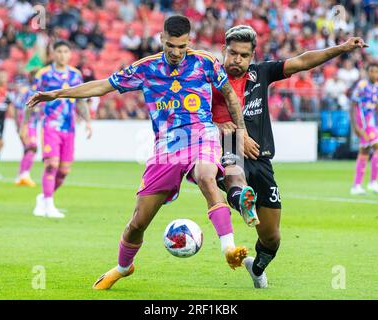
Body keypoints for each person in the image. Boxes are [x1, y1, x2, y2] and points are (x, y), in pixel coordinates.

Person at [27, 16, 256, 290]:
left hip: (201, 134)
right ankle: (123, 267)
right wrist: (58, 94)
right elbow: (102, 86)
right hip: (167, 147)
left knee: (207, 176)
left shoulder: (205, 62)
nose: (176, 52)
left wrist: (240, 133)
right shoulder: (145, 68)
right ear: (161, 39)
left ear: (189, 43)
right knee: (138, 222)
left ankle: (228, 248)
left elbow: (230, 95)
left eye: (182, 47)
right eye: (171, 45)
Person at [211, 25, 368, 288]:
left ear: (252, 57)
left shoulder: (261, 74)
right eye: (232, 53)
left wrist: (341, 48)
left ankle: (257, 267)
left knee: (272, 238)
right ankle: (242, 203)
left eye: (243, 55)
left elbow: (303, 61)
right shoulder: (211, 78)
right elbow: (189, 112)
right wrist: (218, 127)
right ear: (224, 51)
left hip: (260, 159)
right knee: (233, 173)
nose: (236, 59)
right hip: (226, 148)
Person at [21, 40, 92, 218]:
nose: (62, 55)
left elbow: (81, 101)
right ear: (53, 53)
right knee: (51, 165)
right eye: (59, 51)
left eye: (65, 51)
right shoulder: (43, 74)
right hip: (50, 126)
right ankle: (49, 205)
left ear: (70, 54)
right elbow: (31, 100)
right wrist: (26, 124)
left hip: (69, 128)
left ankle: (43, 199)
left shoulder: (76, 75)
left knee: (64, 171)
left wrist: (89, 121)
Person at [350, 63, 378, 195]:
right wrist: (355, 126)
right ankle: (373, 182)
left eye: (376, 72)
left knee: (364, 152)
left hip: (370, 122)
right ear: (367, 72)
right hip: (362, 122)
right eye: (371, 71)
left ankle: (356, 186)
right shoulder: (362, 86)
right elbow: (353, 105)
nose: (374, 74)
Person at [15, 71, 40, 187]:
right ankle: (24, 175)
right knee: (32, 147)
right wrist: (21, 126)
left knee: (28, 149)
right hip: (27, 124)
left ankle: (22, 176)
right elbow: (18, 108)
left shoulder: (39, 90)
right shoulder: (27, 91)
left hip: (33, 124)